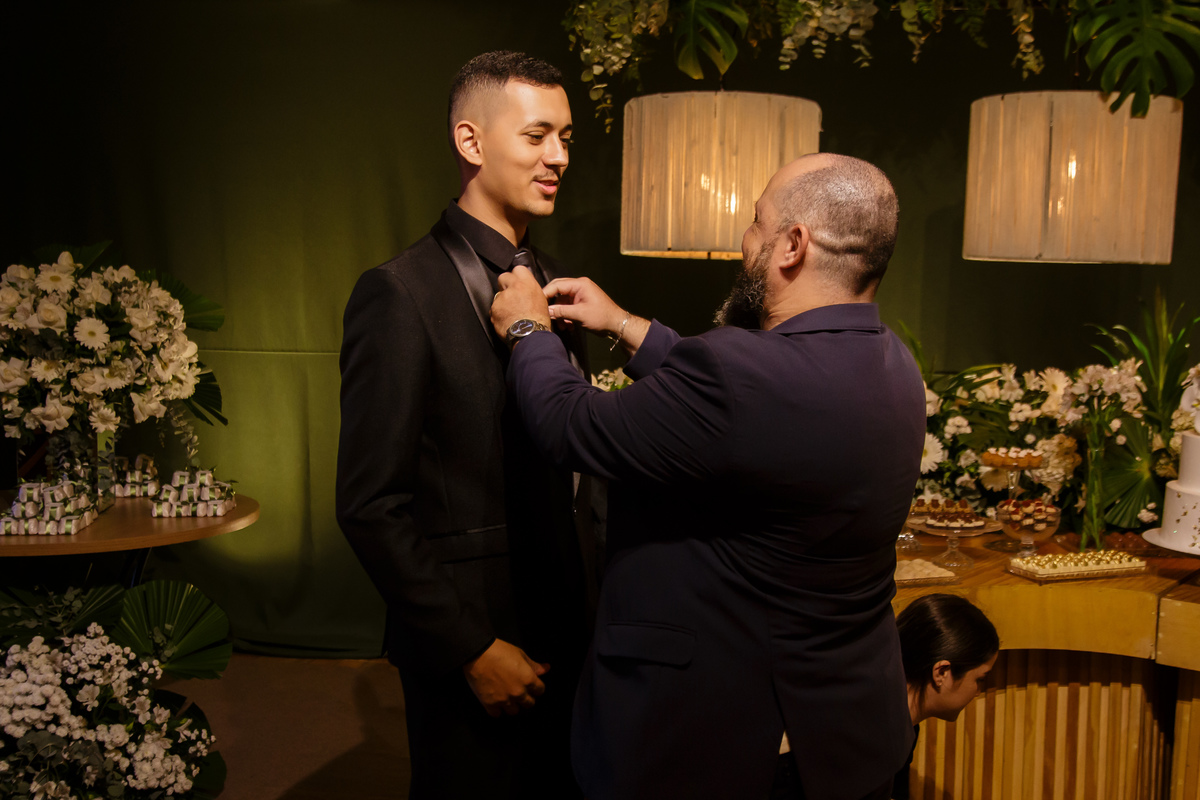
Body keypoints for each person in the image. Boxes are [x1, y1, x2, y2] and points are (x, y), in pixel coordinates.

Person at [490, 152, 926, 800]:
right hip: (846, 740)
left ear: (793, 246)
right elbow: (759, 414)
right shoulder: (894, 365)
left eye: (757, 222)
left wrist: (527, 328)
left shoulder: (740, 376)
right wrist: (626, 325)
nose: (744, 240)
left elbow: (568, 424)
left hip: (723, 748)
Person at [336, 51, 592, 799]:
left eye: (568, 137)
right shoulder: (397, 293)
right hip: (474, 642)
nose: (559, 158)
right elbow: (370, 505)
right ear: (472, 142)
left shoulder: (555, 280)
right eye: (539, 135)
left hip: (567, 627)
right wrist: (471, 649)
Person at [892, 594, 1000, 800]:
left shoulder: (904, 724)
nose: (977, 692)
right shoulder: (876, 733)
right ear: (941, 672)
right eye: (980, 679)